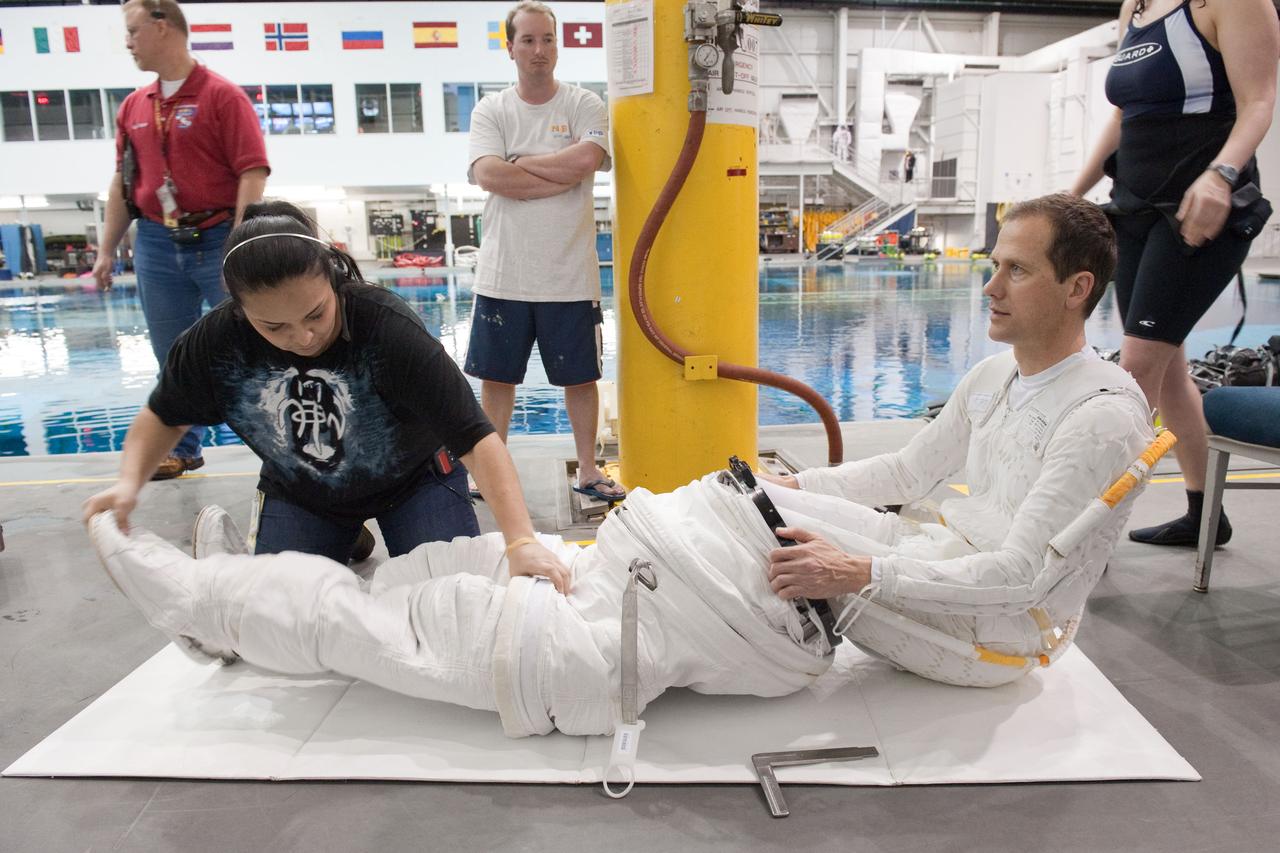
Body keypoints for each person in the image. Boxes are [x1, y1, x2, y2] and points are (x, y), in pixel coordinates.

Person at [86, 194, 1155, 736]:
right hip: (907, 567)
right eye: (994, 265)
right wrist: (751, 489)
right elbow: (907, 475)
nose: (988, 285)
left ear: (1075, 289)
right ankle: (227, 593)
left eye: (1013, 270)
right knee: (515, 569)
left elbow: (1020, 582)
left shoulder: (1102, 416)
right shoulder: (995, 379)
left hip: (982, 631)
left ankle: (220, 599)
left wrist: (853, 574)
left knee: (528, 635)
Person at [82, 201, 569, 591]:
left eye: (316, 314)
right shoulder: (215, 344)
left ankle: (351, 529)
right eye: (274, 326)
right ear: (239, 308)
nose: (304, 337)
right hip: (305, 491)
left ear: (334, 277)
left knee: (450, 597)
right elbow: (164, 414)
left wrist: (521, 541)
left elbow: (476, 437)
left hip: (415, 479)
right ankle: (342, 530)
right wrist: (129, 483)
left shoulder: (386, 328)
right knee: (280, 610)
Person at [1070, 0, 1279, 547]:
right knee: (1166, 371)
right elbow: (1122, 117)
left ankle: (1084, 533)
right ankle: (1205, 511)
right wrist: (1068, 195)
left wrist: (1220, 176)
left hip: (1194, 214)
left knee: (1135, 373)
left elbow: (1259, 101)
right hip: (1135, 210)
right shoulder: (1134, 8)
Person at [90, 0, 270, 480]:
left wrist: (239, 239)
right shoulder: (133, 107)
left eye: (132, 31)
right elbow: (122, 184)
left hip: (216, 239)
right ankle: (184, 448)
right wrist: (107, 249)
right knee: (171, 352)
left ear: (162, 26)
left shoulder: (222, 97)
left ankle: (284, 444)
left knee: (259, 340)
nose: (127, 43)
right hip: (155, 242)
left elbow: (251, 171)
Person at [465, 1, 624, 503]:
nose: (539, 50)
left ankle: (589, 471)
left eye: (547, 39)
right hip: (503, 275)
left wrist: (523, 167)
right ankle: (491, 474)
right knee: (497, 381)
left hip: (569, 275)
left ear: (559, 44)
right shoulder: (492, 109)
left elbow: (588, 160)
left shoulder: (583, 104)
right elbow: (489, 175)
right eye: (528, 40)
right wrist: (555, 172)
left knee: (581, 380)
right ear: (509, 47)